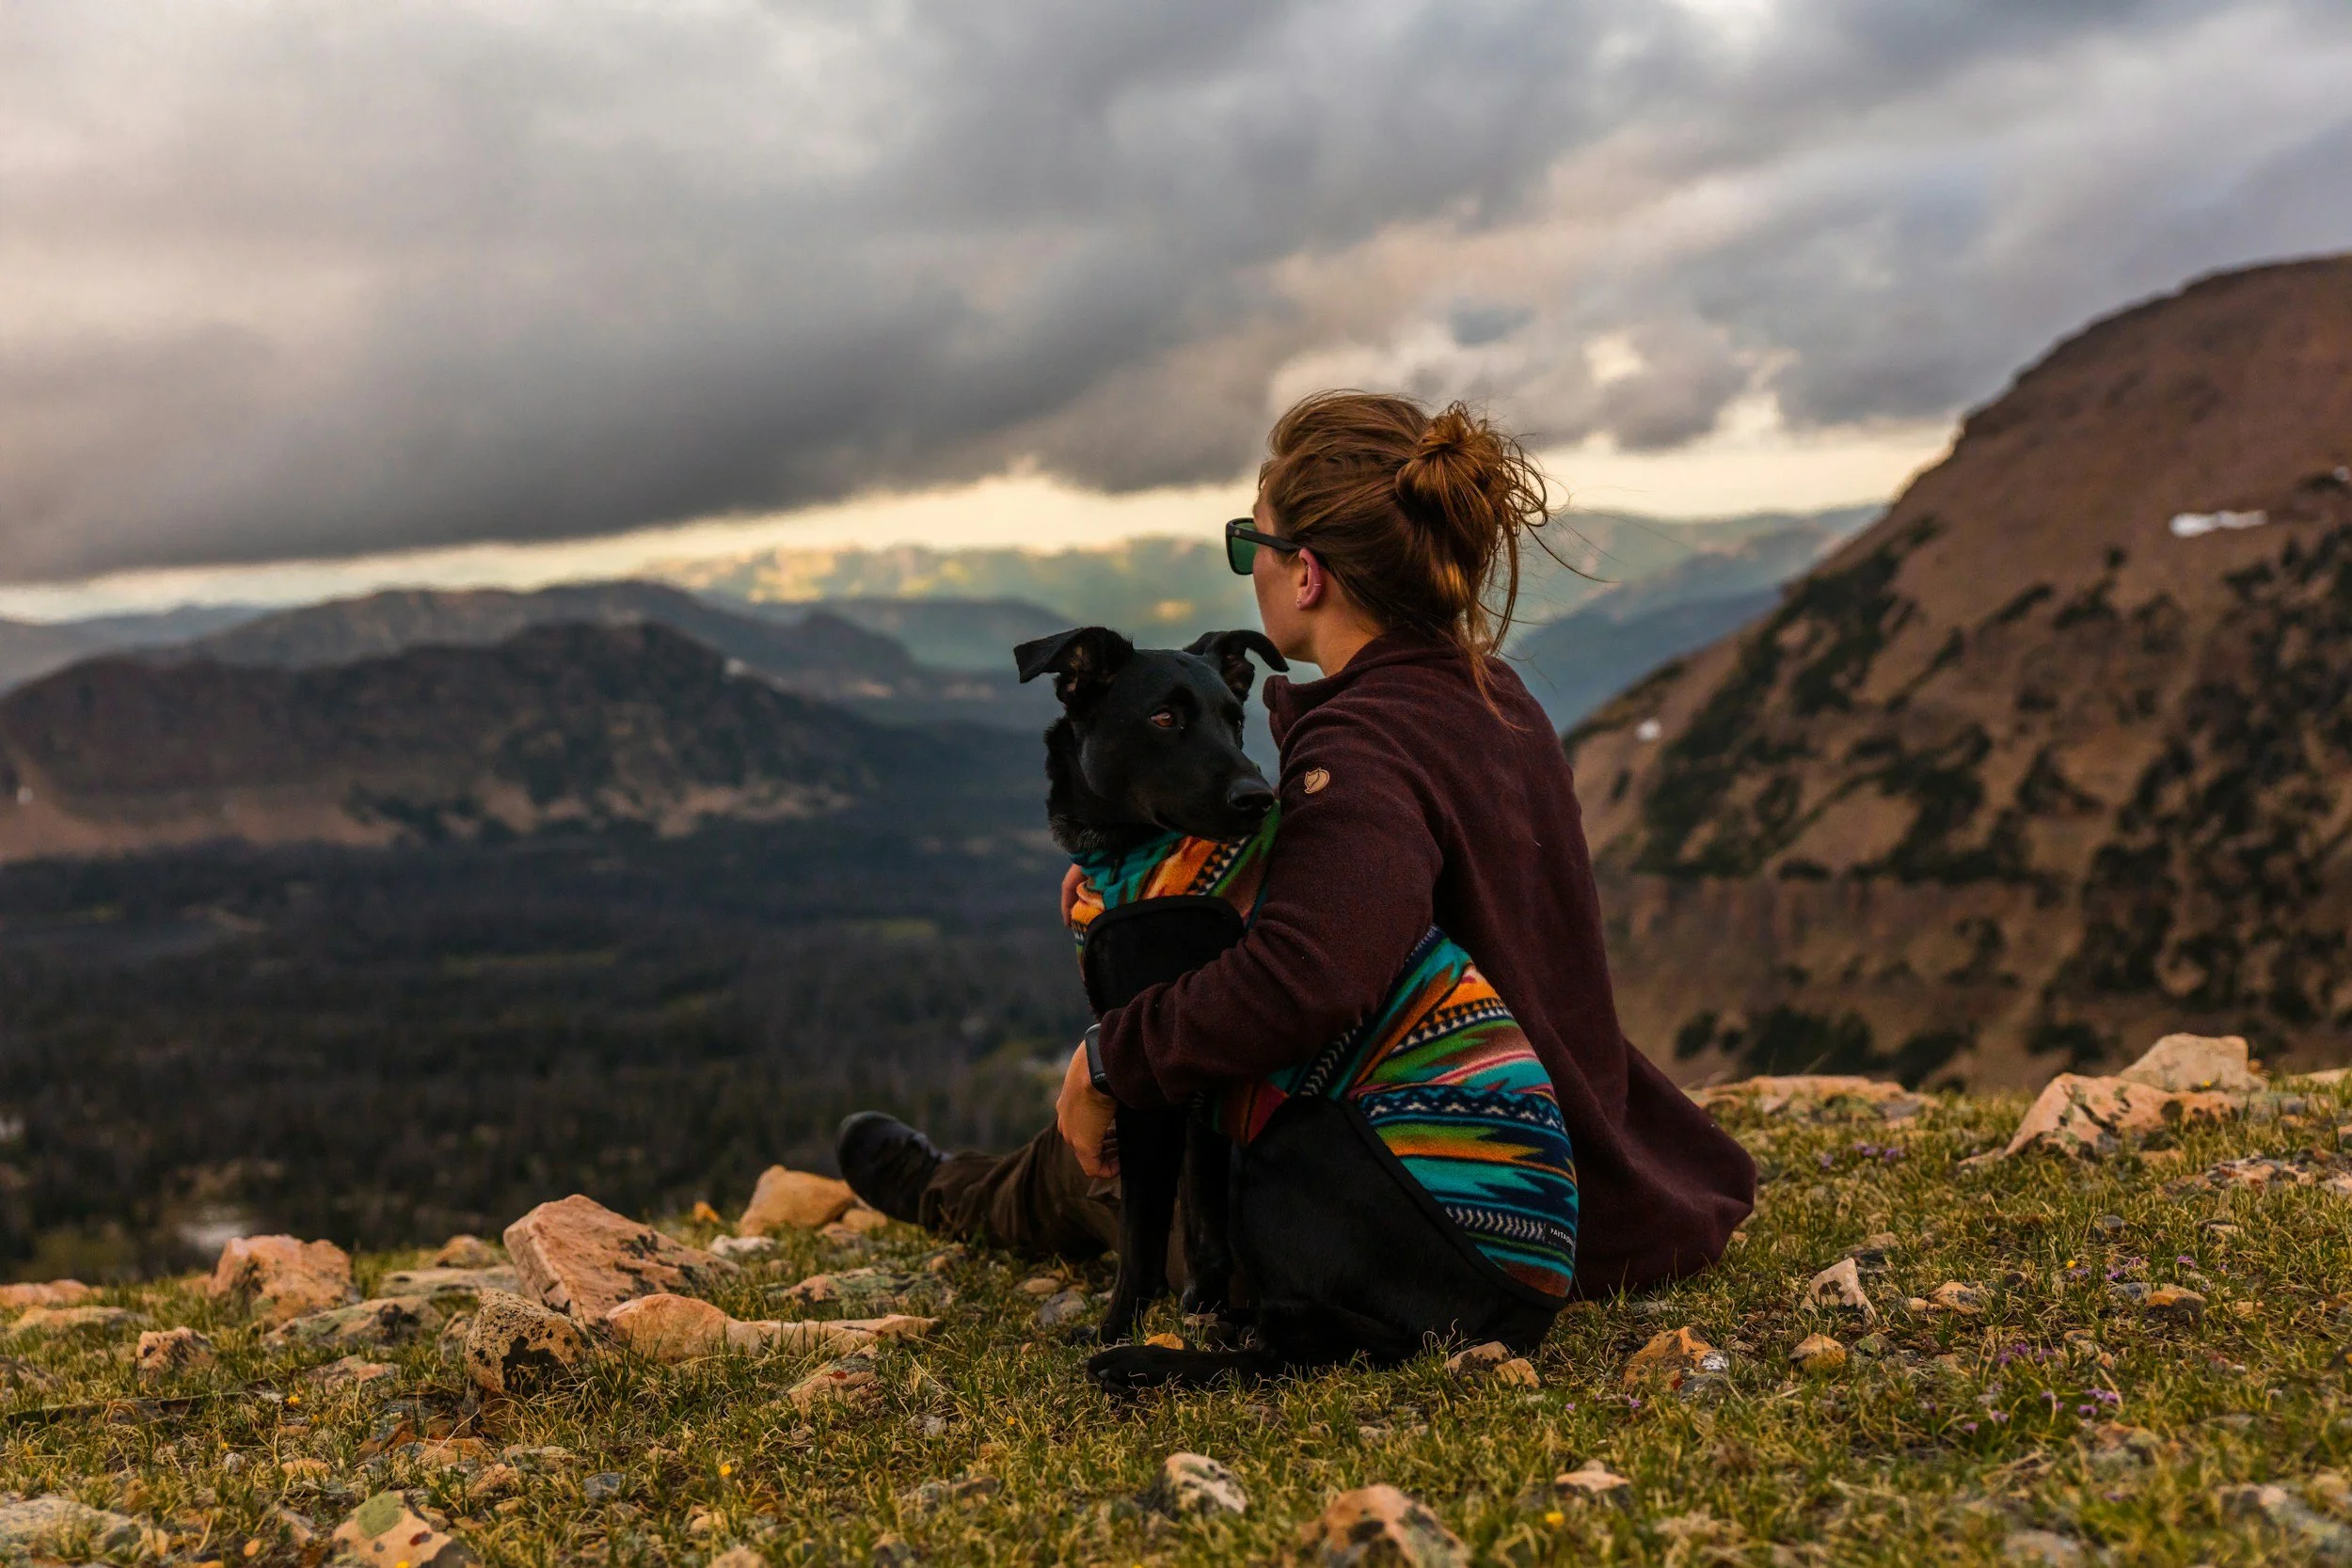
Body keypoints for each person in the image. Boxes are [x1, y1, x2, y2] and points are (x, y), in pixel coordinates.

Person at [837, 389, 1754, 1301]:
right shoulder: (1493, 692)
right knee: (1156, 1086)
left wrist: (1106, 1055)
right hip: (1582, 1149)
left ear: (1305, 572)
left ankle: (950, 1194)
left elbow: (1306, 976)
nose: (1250, 567)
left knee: (1110, 1163)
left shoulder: (1361, 738)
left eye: (1251, 540)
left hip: (1452, 1197)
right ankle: (981, 1180)